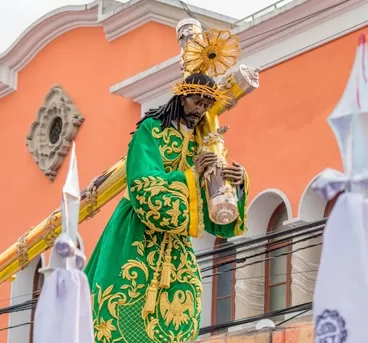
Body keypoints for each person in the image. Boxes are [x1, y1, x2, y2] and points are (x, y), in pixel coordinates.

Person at [85, 73, 248, 343]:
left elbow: (213, 210)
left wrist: (236, 183)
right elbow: (143, 184)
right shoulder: (150, 130)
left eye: (207, 105)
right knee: (119, 304)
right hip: (136, 233)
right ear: (183, 97)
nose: (201, 110)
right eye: (197, 102)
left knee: (185, 303)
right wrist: (191, 174)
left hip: (174, 245)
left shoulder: (203, 141)